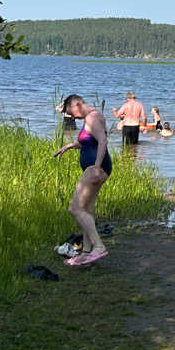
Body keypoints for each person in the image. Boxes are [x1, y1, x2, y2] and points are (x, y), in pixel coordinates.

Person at [52, 95, 112, 266]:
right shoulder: (91, 118)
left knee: (75, 208)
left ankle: (99, 246)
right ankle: (86, 252)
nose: (72, 117)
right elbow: (90, 142)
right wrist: (70, 146)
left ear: (77, 104)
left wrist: (96, 167)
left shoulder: (92, 117)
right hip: (97, 166)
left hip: (95, 168)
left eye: (71, 112)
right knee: (86, 209)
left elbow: (102, 141)